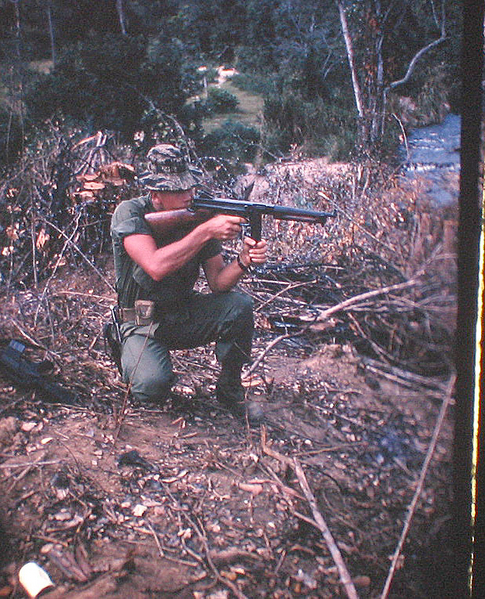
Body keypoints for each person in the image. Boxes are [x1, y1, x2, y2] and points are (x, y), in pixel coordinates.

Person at [110, 144, 268, 421]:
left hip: (182, 313)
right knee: (151, 389)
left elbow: (218, 283)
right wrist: (206, 231)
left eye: (190, 187)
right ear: (156, 195)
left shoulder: (199, 214)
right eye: (179, 190)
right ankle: (125, 348)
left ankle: (230, 390)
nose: (189, 195)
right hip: (139, 319)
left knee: (239, 306)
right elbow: (156, 267)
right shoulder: (130, 213)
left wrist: (243, 261)